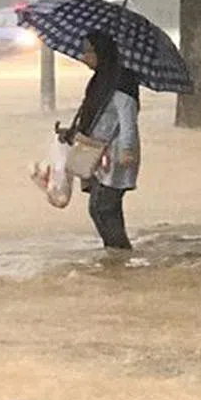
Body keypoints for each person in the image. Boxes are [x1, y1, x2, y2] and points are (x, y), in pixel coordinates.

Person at [73, 30, 140, 252]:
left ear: (101, 53)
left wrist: (127, 150)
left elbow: (128, 120)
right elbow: (95, 117)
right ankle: (115, 254)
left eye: (88, 52)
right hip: (97, 152)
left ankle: (119, 253)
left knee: (103, 206)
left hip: (118, 152)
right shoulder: (101, 81)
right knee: (100, 206)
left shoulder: (122, 83)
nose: (84, 58)